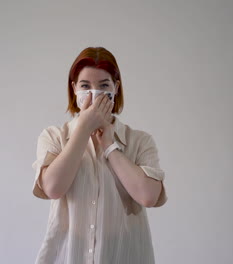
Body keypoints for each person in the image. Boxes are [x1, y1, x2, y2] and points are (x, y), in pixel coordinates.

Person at [31, 47, 168, 264]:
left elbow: (148, 196)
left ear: (116, 88)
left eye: (104, 85)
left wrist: (109, 146)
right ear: (74, 89)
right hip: (67, 255)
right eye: (85, 86)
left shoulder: (139, 141)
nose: (94, 94)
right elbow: (53, 188)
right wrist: (83, 130)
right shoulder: (55, 136)